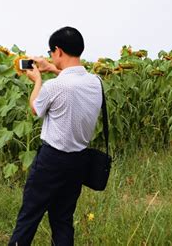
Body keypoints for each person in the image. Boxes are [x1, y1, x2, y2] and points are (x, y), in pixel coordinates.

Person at [9, 27, 103, 245]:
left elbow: (35, 108)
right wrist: (52, 68)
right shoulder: (95, 82)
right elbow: (74, 81)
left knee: (29, 216)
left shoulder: (54, 86)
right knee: (62, 219)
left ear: (58, 50)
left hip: (52, 160)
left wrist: (37, 80)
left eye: (51, 53)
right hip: (79, 160)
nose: (51, 56)